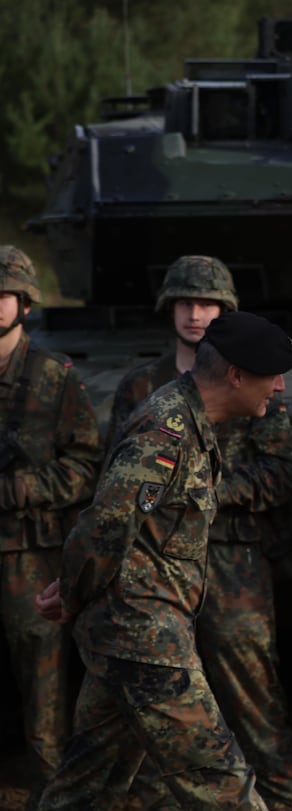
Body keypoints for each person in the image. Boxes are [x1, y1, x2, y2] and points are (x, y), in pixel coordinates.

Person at [34, 311, 292, 810]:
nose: (280, 387)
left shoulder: (192, 422)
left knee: (85, 788)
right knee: (222, 784)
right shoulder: (166, 432)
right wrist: (70, 591)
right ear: (237, 375)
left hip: (130, 633)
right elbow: (107, 523)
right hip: (144, 639)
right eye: (272, 374)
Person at [106, 255, 292, 808]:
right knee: (153, 691)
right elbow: (116, 479)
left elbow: (281, 474)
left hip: (230, 558)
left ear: (226, 312)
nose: (197, 314)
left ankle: (283, 794)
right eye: (187, 303)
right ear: (168, 308)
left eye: (209, 305)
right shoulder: (141, 386)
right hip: (154, 563)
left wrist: (202, 494)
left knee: (250, 687)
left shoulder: (259, 382)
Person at [0, 246, 102, 808]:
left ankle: (57, 797)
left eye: (3, 294)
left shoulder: (52, 377)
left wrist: (23, 488)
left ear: (24, 303)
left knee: (44, 705)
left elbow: (87, 462)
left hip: (27, 554)